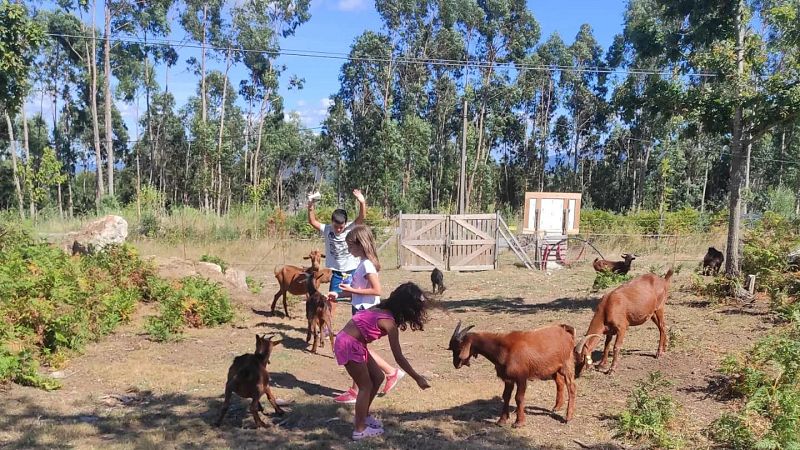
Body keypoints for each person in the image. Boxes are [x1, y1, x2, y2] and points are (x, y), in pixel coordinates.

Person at [333, 279, 431, 440]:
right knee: (365, 386)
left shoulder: (380, 309)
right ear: (408, 310)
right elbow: (398, 357)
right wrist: (417, 378)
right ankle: (359, 429)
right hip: (348, 344)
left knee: (378, 377)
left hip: (354, 342)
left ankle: (363, 416)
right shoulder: (389, 324)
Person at [331, 225, 407, 404]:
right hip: (359, 308)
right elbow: (359, 290)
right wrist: (339, 294)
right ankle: (379, 378)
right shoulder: (362, 263)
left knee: (358, 349)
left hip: (365, 311)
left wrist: (351, 289)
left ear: (361, 244)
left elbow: (376, 290)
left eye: (351, 246)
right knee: (359, 349)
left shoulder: (367, 265)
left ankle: (378, 379)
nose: (349, 250)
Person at [307, 189, 365, 316]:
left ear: (345, 224)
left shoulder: (350, 228)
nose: (338, 229)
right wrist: (310, 205)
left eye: (341, 227)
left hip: (353, 271)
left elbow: (361, 218)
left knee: (355, 299)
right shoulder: (327, 229)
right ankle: (328, 329)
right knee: (332, 300)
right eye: (336, 226)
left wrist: (362, 202)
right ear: (331, 222)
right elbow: (312, 221)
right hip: (337, 273)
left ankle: (357, 325)